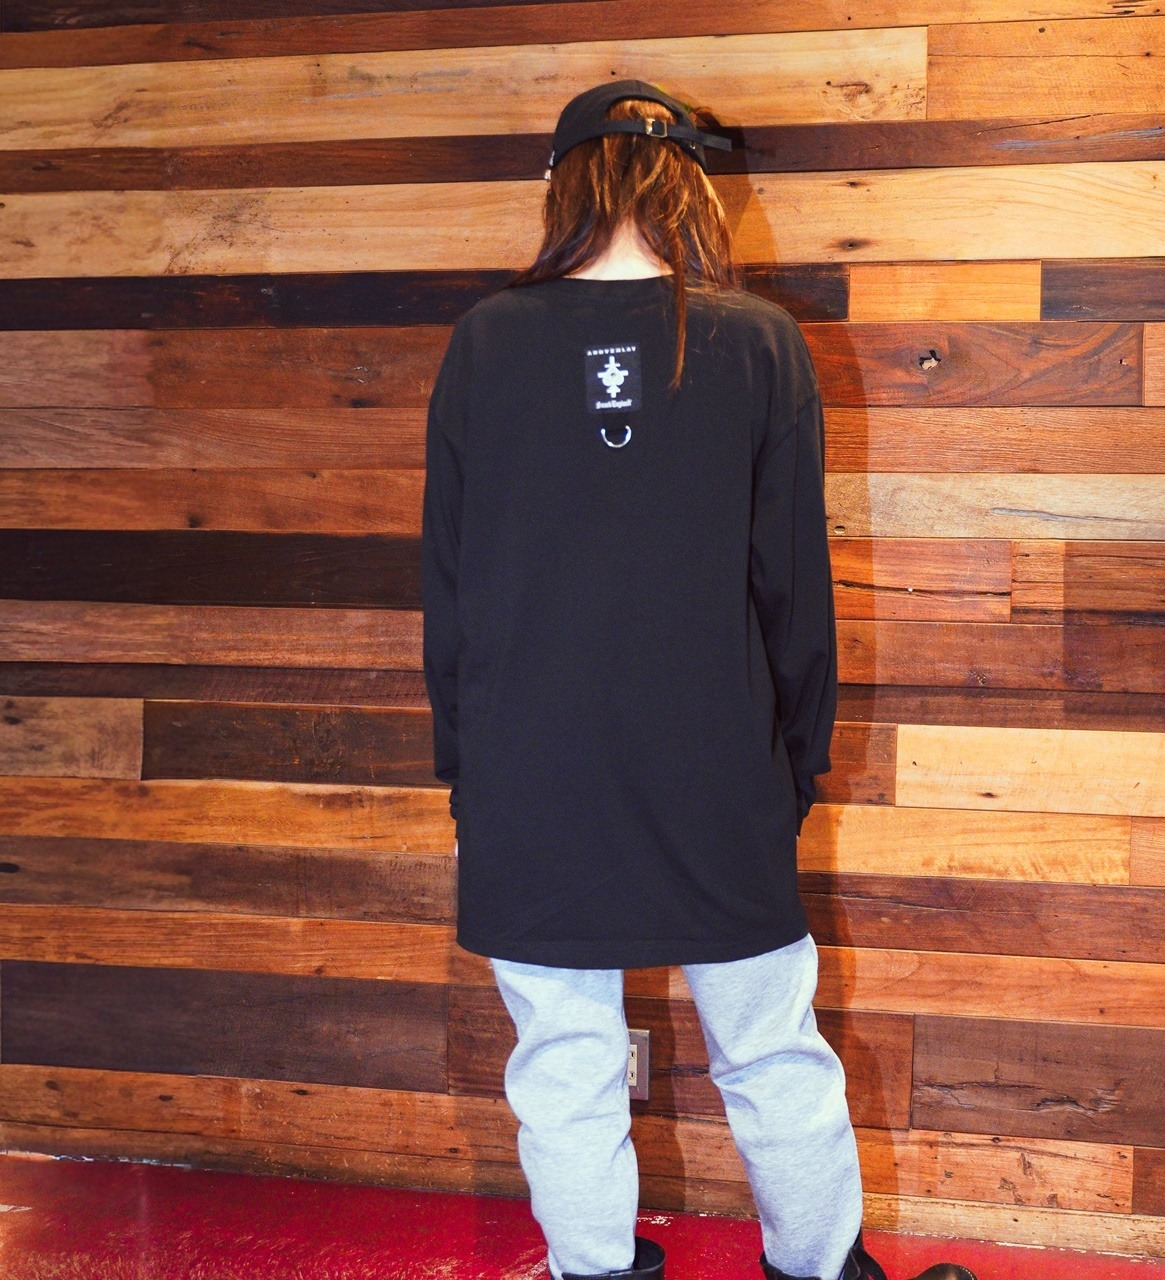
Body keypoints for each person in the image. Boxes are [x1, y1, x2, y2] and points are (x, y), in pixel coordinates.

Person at [422, 78, 977, 1280]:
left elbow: (450, 584)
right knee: (769, 1046)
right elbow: (793, 589)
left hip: (528, 772)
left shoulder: (483, 344)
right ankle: (820, 1268)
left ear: (562, 185)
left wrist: (467, 772)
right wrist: (793, 765)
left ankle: (591, 1269)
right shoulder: (757, 344)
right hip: (715, 766)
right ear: (688, 185)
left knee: (561, 1058)